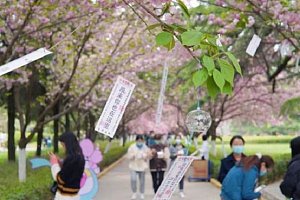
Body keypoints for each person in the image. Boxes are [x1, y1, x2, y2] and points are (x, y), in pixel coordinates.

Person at [49, 132, 85, 200]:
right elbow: (70, 174)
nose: (63, 148)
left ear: (68, 144)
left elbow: (59, 179)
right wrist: (61, 163)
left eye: (63, 145)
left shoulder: (71, 159)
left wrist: (54, 163)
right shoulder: (80, 157)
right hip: (75, 196)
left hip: (65, 196)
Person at [127, 135, 150, 200]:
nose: (139, 142)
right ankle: (134, 192)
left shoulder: (145, 147)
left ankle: (142, 193)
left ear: (143, 141)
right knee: (133, 179)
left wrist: (145, 156)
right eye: (138, 140)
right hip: (133, 166)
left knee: (142, 181)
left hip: (142, 166)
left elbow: (148, 155)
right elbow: (129, 155)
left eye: (141, 140)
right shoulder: (132, 147)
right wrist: (133, 156)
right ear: (136, 140)